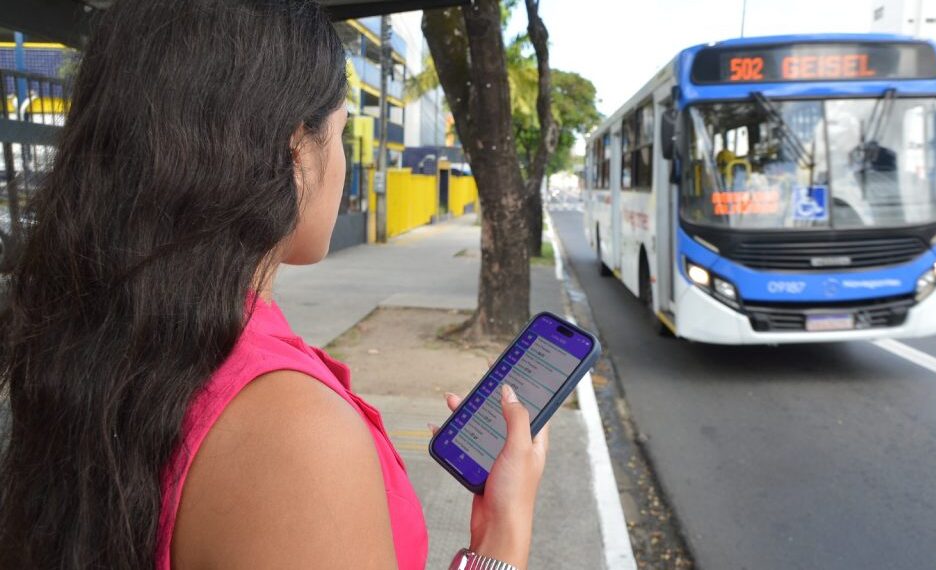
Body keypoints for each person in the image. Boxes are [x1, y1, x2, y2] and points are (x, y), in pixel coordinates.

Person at [0, 2, 546, 569]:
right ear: (294, 148)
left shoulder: (97, 326)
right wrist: (501, 541)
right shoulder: (294, 436)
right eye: (339, 132)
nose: (339, 158)